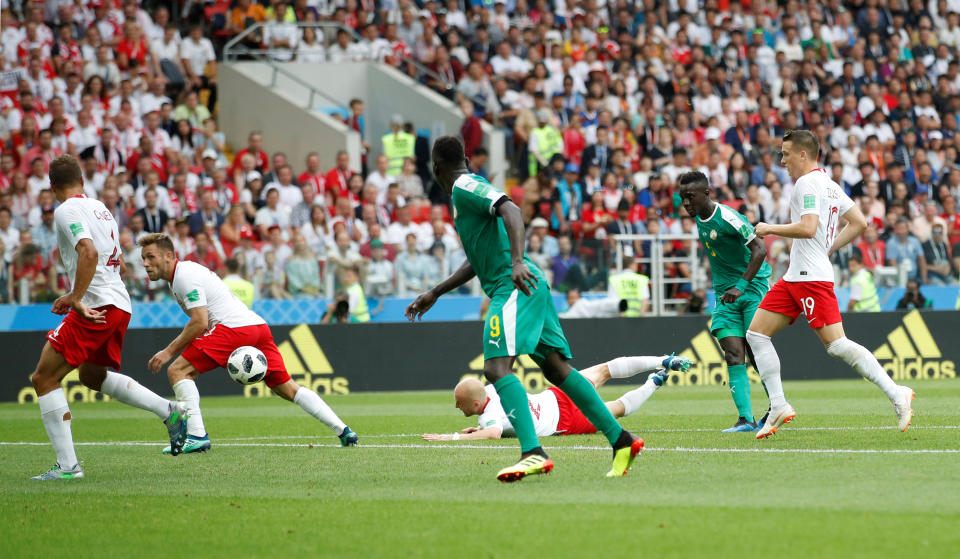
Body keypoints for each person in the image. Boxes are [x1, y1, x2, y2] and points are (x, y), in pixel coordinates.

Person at [406, 136, 643, 482]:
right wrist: (436, 292)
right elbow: (476, 262)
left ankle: (533, 453)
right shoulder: (466, 197)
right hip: (526, 283)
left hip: (513, 284)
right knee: (558, 370)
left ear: (436, 168)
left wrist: (517, 262)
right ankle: (621, 439)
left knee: (496, 368)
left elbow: (512, 209)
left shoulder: (464, 186)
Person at [28, 155, 188, 480]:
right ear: (83, 181)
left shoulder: (66, 210)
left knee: (43, 378)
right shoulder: (101, 208)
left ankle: (68, 467)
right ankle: (168, 411)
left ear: (52, 185)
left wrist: (75, 298)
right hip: (119, 304)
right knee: (91, 375)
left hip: (96, 305)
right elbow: (120, 263)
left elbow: (88, 252)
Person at [746, 130, 914, 439]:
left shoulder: (807, 183)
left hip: (811, 278)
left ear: (803, 155)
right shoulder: (829, 184)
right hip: (795, 276)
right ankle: (779, 404)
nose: (782, 161)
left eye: (785, 154)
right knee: (756, 334)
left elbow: (809, 228)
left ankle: (896, 392)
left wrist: (770, 229)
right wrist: (829, 248)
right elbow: (860, 222)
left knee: (836, 345)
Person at [138, 233, 359, 453]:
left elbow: (199, 321)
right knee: (288, 389)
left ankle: (196, 436)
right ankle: (344, 431)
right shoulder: (182, 276)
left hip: (234, 329)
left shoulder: (184, 276)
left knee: (177, 371)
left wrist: (168, 352)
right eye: (143, 258)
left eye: (151, 257)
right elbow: (203, 323)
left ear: (168, 255)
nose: (146, 264)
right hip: (257, 327)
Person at [679, 170, 772, 432]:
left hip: (752, 288)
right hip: (725, 295)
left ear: (706, 194)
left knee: (754, 349)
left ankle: (777, 407)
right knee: (733, 353)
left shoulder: (729, 216)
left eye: (690, 197)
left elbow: (760, 249)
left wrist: (741, 286)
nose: (686, 203)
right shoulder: (699, 216)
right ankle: (745, 419)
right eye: (682, 198)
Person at [423, 354, 692, 441]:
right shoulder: (494, 388)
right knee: (604, 370)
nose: (456, 406)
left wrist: (454, 437)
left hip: (565, 421)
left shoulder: (490, 417)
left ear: (476, 404)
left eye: (460, 402)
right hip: (556, 396)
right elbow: (497, 424)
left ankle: (654, 383)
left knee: (618, 409)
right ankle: (662, 360)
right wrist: (478, 427)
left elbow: (493, 431)